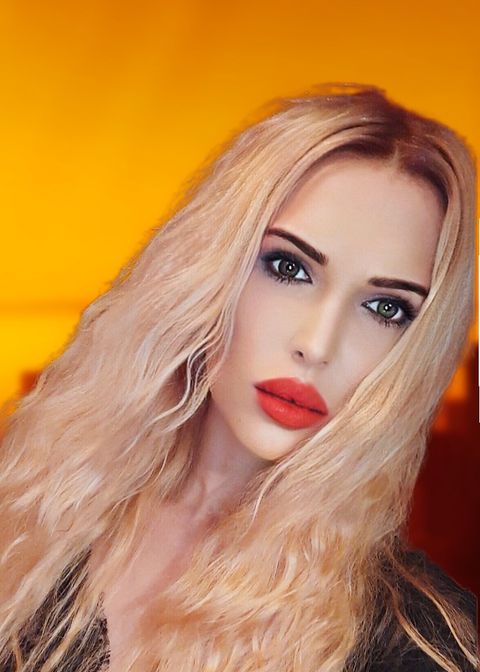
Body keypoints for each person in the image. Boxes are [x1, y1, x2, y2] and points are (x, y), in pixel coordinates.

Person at [0, 83, 477, 672]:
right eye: (288, 267)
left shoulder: (418, 645)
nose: (316, 346)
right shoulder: (32, 517)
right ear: (208, 266)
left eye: (385, 309)